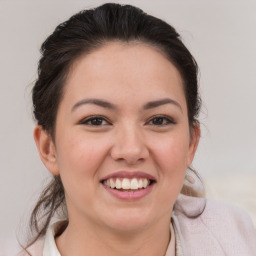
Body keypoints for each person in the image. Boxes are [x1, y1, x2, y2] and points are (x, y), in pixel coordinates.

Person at [20, 3, 256, 256]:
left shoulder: (236, 235)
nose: (131, 150)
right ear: (48, 148)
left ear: (191, 143)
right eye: (96, 121)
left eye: (158, 120)